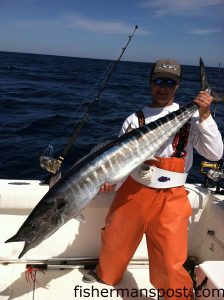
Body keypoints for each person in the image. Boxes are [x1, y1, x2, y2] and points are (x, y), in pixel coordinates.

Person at [82, 59, 223, 299]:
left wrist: (206, 115)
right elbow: (121, 159)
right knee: (115, 238)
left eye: (170, 82)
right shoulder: (133, 119)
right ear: (150, 82)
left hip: (171, 196)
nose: (163, 87)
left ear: (177, 86)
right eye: (158, 81)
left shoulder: (191, 120)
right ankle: (106, 274)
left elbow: (215, 153)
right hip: (133, 189)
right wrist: (110, 181)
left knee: (170, 257)